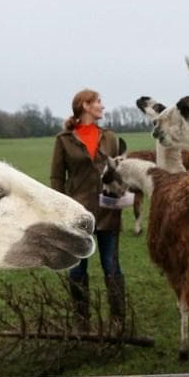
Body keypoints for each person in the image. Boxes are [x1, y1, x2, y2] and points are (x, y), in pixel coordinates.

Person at [50, 88, 127, 331]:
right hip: (77, 214)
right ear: (85, 105)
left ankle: (118, 323)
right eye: (98, 102)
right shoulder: (64, 139)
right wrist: (60, 210)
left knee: (111, 266)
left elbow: (119, 172)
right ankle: (82, 323)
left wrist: (122, 196)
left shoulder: (110, 137)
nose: (102, 106)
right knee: (77, 268)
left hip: (108, 211)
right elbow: (57, 177)